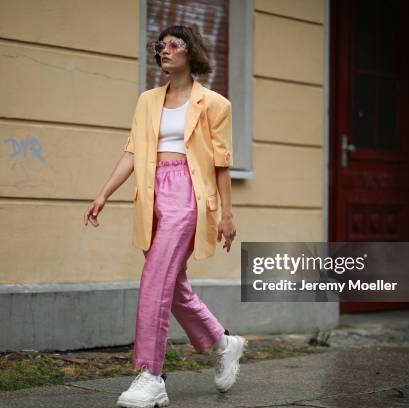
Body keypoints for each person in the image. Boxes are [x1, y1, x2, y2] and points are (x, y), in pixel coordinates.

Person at [84, 25, 247, 408]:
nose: (164, 50)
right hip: (150, 195)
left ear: (191, 52)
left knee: (155, 279)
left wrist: (227, 214)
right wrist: (104, 193)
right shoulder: (147, 101)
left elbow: (221, 164)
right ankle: (224, 342)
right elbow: (131, 151)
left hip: (188, 195)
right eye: (160, 46)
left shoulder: (215, 104)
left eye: (173, 44)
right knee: (172, 285)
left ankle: (150, 375)